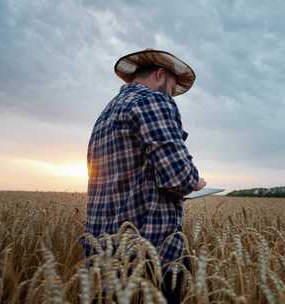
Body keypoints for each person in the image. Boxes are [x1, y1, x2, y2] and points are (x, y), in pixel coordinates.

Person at [82, 48, 206, 303]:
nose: (172, 96)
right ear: (160, 75)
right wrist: (197, 182)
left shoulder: (106, 113)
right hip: (148, 254)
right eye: (172, 88)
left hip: (103, 253)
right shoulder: (152, 100)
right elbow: (179, 177)